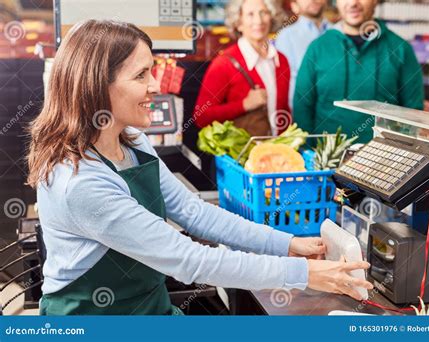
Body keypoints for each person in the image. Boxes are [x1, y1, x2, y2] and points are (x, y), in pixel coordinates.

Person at [27, 20, 372, 315]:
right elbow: (188, 259)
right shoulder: (80, 181)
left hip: (152, 309)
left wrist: (287, 243)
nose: (156, 87)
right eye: (141, 75)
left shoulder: (130, 139)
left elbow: (194, 212)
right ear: (97, 84)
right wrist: (305, 273)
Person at [293, 0, 424, 143]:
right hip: (325, 160)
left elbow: (413, 113)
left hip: (383, 160)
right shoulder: (318, 48)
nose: (353, 3)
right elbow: (302, 108)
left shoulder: (401, 49)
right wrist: (307, 152)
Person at [193, 0, 291, 136]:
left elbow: (284, 110)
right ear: (238, 23)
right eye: (250, 14)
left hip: (275, 152)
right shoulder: (223, 64)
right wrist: (244, 105)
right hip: (238, 154)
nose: (258, 20)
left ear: (272, 17)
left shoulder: (281, 60)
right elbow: (201, 117)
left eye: (264, 13)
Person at [275, 0, 331, 109]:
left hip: (336, 109)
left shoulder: (339, 30)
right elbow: (286, 82)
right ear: (294, 6)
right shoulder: (286, 36)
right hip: (302, 109)